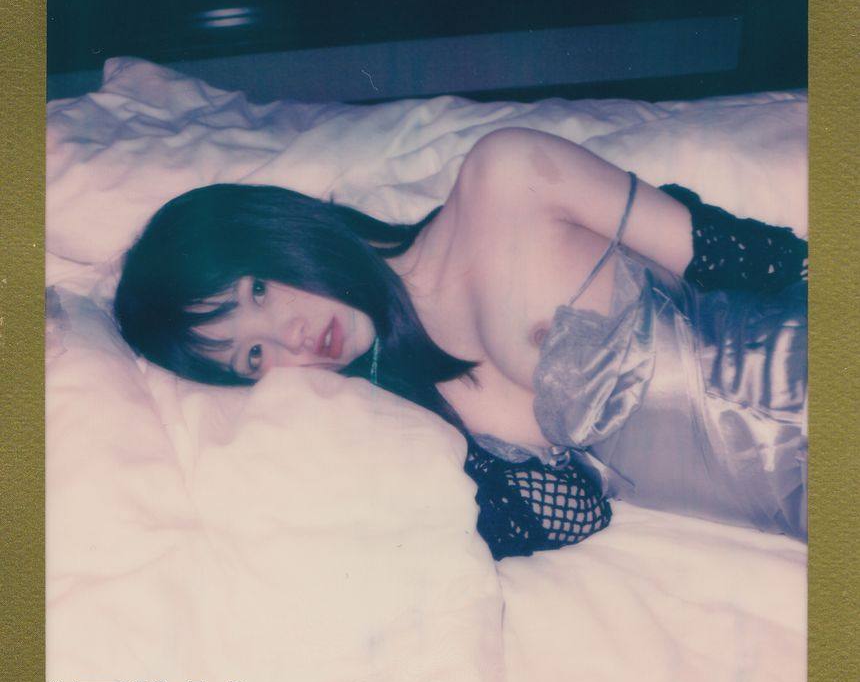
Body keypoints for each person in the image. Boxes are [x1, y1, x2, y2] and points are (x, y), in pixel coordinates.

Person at [114, 128, 808, 559]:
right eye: (253, 356)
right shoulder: (410, 414)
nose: (289, 336)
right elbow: (577, 516)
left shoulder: (503, 178)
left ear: (276, 230)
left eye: (259, 290)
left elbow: (762, 262)